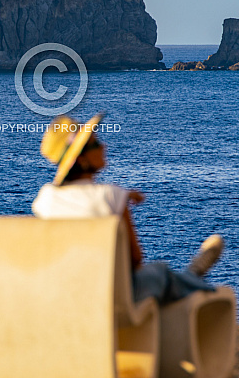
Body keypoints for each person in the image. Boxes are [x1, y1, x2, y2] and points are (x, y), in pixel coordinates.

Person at [32, 113, 224, 304]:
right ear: (81, 159)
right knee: (160, 273)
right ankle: (194, 273)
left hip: (65, 294)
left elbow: (81, 200)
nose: (104, 146)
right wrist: (121, 196)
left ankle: (190, 275)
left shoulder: (44, 199)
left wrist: (123, 194)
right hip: (113, 298)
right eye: (96, 144)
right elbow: (135, 259)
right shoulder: (112, 197)